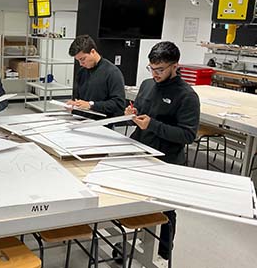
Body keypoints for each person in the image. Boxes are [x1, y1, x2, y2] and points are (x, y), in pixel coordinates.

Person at [125, 41, 200, 261]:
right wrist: (133, 112)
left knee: (165, 210)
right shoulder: (147, 85)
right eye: (152, 68)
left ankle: (163, 253)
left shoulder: (187, 96)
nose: (155, 74)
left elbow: (187, 135)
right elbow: (141, 112)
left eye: (160, 70)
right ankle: (139, 242)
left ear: (175, 66)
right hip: (140, 153)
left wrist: (153, 125)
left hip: (167, 161)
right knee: (136, 203)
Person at [67, 34, 125, 118]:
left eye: (83, 59)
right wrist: (74, 105)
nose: (81, 64)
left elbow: (118, 104)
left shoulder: (112, 72)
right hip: (81, 120)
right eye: (78, 60)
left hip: (102, 124)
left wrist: (91, 105)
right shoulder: (82, 72)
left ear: (92, 52)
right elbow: (78, 99)